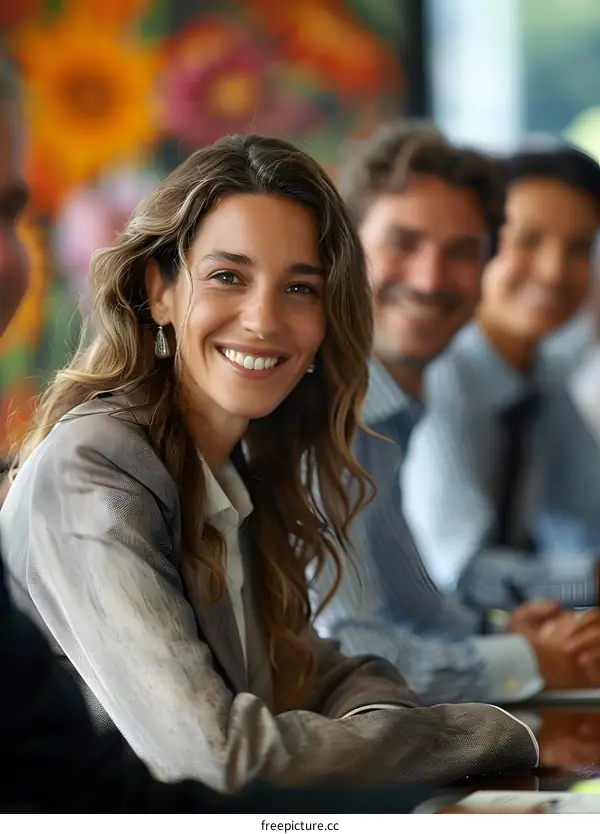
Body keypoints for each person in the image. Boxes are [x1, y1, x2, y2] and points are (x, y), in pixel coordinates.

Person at [0, 56, 527, 815]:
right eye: (227, 276)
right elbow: (218, 758)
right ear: (160, 289)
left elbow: (327, 669)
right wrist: (479, 732)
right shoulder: (96, 468)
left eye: (300, 288)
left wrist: (370, 722)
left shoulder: (235, 467)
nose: (264, 319)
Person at [314, 122, 600, 706]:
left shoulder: (394, 412)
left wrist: (501, 635)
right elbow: (355, 648)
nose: (429, 278)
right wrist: (525, 655)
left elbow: (416, 605)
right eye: (403, 242)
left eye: (461, 252)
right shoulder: (321, 409)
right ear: (345, 254)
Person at [404, 146, 600, 612]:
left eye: (578, 248)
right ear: (478, 244)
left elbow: (588, 519)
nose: (554, 271)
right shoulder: (439, 375)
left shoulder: (544, 380)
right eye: (527, 240)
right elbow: (456, 571)